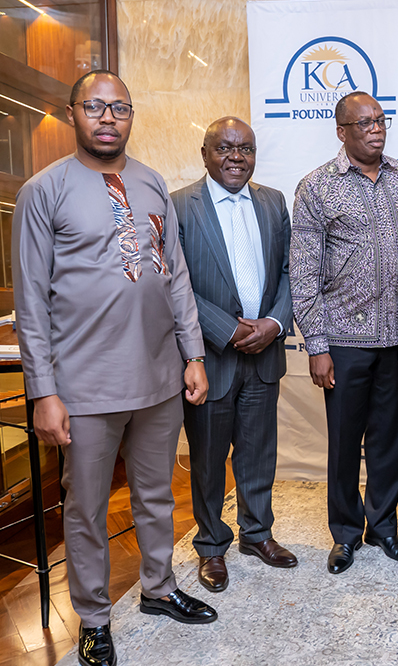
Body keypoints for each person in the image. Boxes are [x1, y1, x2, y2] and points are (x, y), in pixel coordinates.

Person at [12, 70, 217, 666]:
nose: (108, 118)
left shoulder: (153, 184)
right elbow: (30, 300)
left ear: (131, 116)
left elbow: (175, 276)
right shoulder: (43, 191)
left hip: (158, 377)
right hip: (84, 384)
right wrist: (43, 392)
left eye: (119, 108)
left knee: (157, 493)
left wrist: (194, 354)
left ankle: (158, 587)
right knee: (86, 507)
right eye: (96, 107)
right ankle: (95, 617)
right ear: (74, 113)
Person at [291, 91, 398, 574]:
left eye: (380, 119)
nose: (376, 128)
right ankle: (345, 533)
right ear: (342, 132)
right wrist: (317, 346)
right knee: (345, 442)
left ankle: (383, 526)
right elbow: (303, 272)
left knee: (388, 439)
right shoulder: (317, 187)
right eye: (363, 122)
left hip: (395, 338)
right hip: (343, 340)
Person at [172, 117, 297, 594]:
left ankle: (257, 534)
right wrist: (227, 329)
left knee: (258, 452)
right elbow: (175, 280)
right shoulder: (181, 204)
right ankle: (210, 545)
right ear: (205, 153)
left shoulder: (272, 202)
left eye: (244, 148)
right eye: (223, 148)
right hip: (209, 355)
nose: (235, 157)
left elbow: (290, 271)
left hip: (265, 350)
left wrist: (275, 324)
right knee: (207, 457)